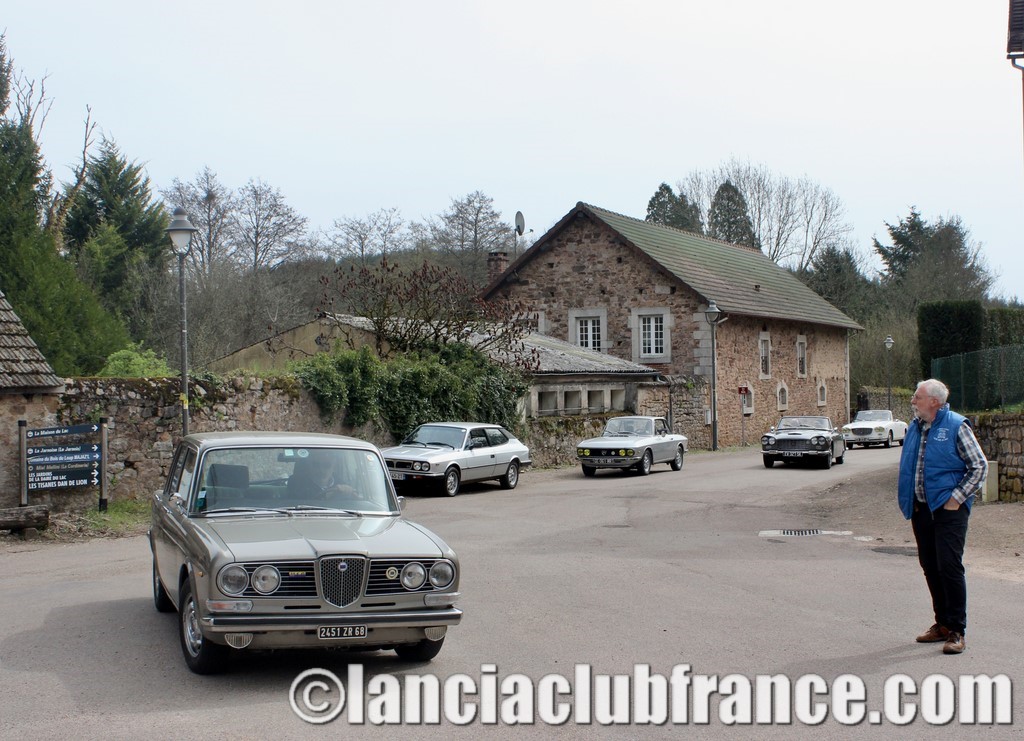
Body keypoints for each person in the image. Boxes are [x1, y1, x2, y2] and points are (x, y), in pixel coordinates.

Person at [897, 379, 988, 655]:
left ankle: (957, 630)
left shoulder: (956, 426)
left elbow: (979, 466)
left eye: (917, 397)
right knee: (930, 565)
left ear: (934, 401)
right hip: (921, 508)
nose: (913, 401)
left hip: (949, 510)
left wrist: (956, 498)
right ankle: (943, 625)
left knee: (949, 566)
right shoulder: (915, 427)